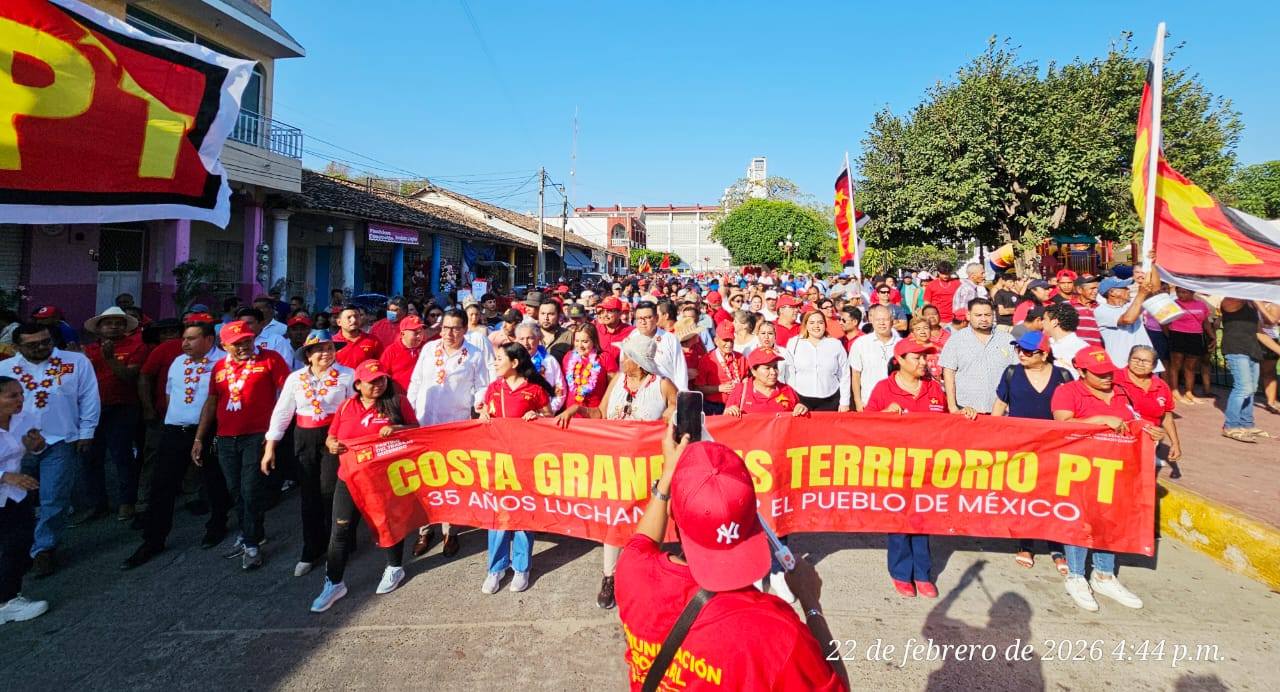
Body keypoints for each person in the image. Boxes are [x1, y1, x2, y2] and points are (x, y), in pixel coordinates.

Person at [614, 432, 846, 691]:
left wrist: (668, 475)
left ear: (671, 513)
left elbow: (643, 539)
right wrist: (812, 604)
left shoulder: (633, 571)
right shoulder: (778, 633)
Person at [1052, 347, 1163, 612]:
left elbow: (1133, 421)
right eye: (1099, 374)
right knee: (1080, 519)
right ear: (1081, 371)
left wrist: (1149, 430)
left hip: (1115, 468)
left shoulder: (1122, 392)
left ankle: (1104, 574)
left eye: (1109, 373)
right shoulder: (1067, 392)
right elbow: (1062, 425)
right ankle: (1076, 575)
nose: (1106, 378)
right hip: (1079, 467)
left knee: (1109, 519)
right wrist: (1100, 419)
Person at [120, 319, 233, 569]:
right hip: (174, 429)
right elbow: (171, 393)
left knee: (213, 479)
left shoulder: (223, 362)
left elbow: (215, 400)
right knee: (163, 483)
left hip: (209, 430)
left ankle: (216, 524)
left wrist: (200, 434)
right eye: (184, 338)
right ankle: (153, 538)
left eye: (191, 339)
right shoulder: (178, 362)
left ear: (209, 340)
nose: (185, 343)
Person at [309, 361, 418, 612]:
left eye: (382, 379)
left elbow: (417, 431)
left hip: (384, 478)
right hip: (350, 477)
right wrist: (332, 444)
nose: (379, 384)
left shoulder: (398, 403)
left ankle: (394, 567)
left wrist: (398, 429)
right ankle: (334, 583)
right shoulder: (347, 405)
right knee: (340, 530)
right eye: (372, 381)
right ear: (358, 385)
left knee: (387, 523)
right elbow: (331, 436)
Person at [585, 333, 676, 609]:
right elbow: (600, 413)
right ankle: (609, 577)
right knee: (615, 519)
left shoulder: (662, 385)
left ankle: (645, 577)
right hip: (616, 465)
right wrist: (577, 409)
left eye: (626, 356)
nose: (622, 360)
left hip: (648, 467)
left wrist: (670, 415)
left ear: (638, 362)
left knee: (648, 521)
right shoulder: (617, 381)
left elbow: (677, 408)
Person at [0, 323, 98, 578]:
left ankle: (44, 549)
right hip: (16, 446)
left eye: (46, 342)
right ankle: (17, 548)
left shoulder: (75, 361)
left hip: (60, 440)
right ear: (17, 347)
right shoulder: (5, 369)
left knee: (54, 496)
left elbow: (88, 397)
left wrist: (87, 431)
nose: (42, 348)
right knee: (14, 499)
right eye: (33, 345)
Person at [194, 320, 290, 571]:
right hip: (226, 437)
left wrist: (280, 431)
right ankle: (253, 532)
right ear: (224, 346)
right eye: (237, 343)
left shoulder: (270, 359)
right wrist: (199, 438)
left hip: (257, 436)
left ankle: (251, 544)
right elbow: (212, 403)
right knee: (235, 489)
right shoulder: (218, 368)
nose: (244, 346)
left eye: (247, 340)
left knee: (250, 489)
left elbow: (289, 391)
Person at [865, 340, 958, 598]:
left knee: (924, 518)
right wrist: (884, 413)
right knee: (899, 519)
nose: (923, 363)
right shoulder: (884, 388)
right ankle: (901, 573)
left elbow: (948, 426)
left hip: (927, 467)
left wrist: (965, 416)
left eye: (925, 358)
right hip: (895, 467)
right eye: (917, 358)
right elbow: (864, 425)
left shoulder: (933, 388)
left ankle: (922, 573)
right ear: (900, 360)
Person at [262, 331, 355, 577]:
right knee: (308, 494)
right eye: (319, 349)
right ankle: (311, 548)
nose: (326, 353)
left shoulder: (347, 375)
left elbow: (353, 410)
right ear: (308, 355)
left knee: (330, 491)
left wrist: (342, 437)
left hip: (334, 437)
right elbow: (283, 412)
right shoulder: (295, 379)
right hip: (304, 437)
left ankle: (339, 544)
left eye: (330, 348)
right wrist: (270, 446)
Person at [405, 309, 490, 557]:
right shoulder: (429, 350)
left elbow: (482, 385)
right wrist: (409, 414)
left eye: (455, 328)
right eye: (445, 328)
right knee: (426, 479)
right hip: (425, 423)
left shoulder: (474, 355)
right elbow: (416, 382)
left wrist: (480, 405)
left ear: (464, 329)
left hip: (455, 424)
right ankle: (425, 529)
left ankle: (450, 531)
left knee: (451, 480)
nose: (448, 334)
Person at [991, 331, 1073, 573]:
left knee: (1054, 496)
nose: (1021, 354)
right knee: (1026, 497)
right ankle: (1025, 543)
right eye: (1018, 349)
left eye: (1027, 351)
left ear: (1044, 354)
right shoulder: (1011, 373)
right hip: (1020, 447)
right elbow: (1000, 406)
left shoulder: (1064, 376)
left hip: (1054, 448)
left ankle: (1056, 544)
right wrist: (990, 437)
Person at [477, 343, 554, 594]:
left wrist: (537, 418)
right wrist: (483, 418)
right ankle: (496, 567)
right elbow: (483, 419)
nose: (495, 363)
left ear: (515, 363)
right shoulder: (493, 388)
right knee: (498, 514)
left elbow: (549, 419)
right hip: (498, 461)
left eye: (499, 358)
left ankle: (522, 566)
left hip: (525, 462)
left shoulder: (534, 391)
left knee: (522, 513)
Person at [79, 306, 146, 523]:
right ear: (99, 328)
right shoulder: (86, 350)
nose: (114, 327)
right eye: (109, 323)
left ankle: (127, 502)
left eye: (119, 323)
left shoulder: (137, 346)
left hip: (122, 407)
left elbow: (129, 377)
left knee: (122, 456)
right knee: (90, 458)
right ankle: (97, 503)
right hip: (91, 410)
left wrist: (110, 359)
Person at [0, 376, 50, 624]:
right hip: (7, 488)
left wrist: (38, 446)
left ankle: (9, 596)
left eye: (21, 394)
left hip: (14, 495)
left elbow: (34, 447)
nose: (20, 400)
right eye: (12, 396)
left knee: (20, 542)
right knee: (10, 545)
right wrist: (6, 476)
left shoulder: (24, 419)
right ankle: (7, 601)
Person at [938, 299, 1015, 415]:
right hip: (967, 411)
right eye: (978, 315)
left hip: (1001, 411)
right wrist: (953, 407)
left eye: (988, 315)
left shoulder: (1007, 339)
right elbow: (949, 374)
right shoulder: (956, 340)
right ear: (968, 315)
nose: (984, 319)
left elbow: (1016, 372)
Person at [1116, 344, 1183, 478]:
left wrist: (1175, 443)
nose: (1140, 364)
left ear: (1154, 365)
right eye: (1136, 359)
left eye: (1146, 361)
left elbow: (1167, 417)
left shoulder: (1161, 386)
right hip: (1119, 440)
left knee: (1141, 481)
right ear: (1128, 359)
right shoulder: (1115, 379)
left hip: (1148, 443)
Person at [1218, 299, 1279, 443]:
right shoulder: (1231, 300)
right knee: (1242, 387)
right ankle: (1230, 426)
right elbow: (1271, 319)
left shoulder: (1252, 305)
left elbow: (1260, 332)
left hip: (1252, 350)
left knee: (1251, 389)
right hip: (1236, 349)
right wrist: (1258, 301)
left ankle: (1247, 424)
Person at [1094, 273, 1161, 372]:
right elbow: (1128, 319)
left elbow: (1155, 289)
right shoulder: (1101, 310)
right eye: (1124, 287)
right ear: (1112, 292)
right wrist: (1141, 294)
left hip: (1146, 361)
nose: (1128, 290)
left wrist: (1152, 264)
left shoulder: (1132, 304)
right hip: (1121, 365)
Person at [785, 310, 850, 412]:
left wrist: (845, 402)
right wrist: (793, 399)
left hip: (830, 398)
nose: (816, 326)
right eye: (811, 323)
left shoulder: (835, 344)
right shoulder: (794, 343)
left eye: (820, 322)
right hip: (801, 399)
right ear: (805, 325)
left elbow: (844, 374)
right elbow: (789, 373)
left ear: (825, 324)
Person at [555, 323, 616, 426]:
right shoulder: (568, 357)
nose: (580, 346)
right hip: (570, 415)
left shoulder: (605, 358)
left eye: (585, 341)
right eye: (577, 341)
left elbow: (613, 388)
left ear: (594, 341)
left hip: (594, 415)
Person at [848, 304, 901, 410]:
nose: (881, 323)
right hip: (868, 400)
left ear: (892, 321)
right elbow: (855, 375)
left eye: (885, 319)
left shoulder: (900, 344)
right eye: (878, 319)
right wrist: (858, 401)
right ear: (871, 320)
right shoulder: (860, 343)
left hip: (897, 401)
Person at [1167, 287, 1214, 405]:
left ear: (1192, 292)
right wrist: (1169, 335)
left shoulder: (1201, 305)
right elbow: (1164, 322)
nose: (1180, 295)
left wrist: (1212, 336)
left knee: (1191, 366)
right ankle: (1175, 391)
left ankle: (1189, 392)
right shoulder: (1173, 304)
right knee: (1175, 365)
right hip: (1178, 335)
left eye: (1184, 292)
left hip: (1195, 336)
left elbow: (1206, 322)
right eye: (1178, 292)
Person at [631, 301, 688, 390]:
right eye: (639, 318)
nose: (643, 322)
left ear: (656, 318)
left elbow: (680, 370)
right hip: (639, 395)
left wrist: (681, 395)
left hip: (667, 394)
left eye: (647, 317)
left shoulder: (670, 339)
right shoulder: (631, 339)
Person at [695, 321, 747, 415]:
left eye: (731, 340)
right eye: (725, 340)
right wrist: (718, 388)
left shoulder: (741, 358)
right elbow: (698, 388)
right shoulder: (707, 360)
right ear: (716, 341)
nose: (729, 344)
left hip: (739, 406)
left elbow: (746, 379)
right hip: (715, 408)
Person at [378, 316, 426, 395]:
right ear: (403, 334)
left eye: (421, 331)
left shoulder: (426, 348)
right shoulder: (391, 351)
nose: (419, 336)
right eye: (416, 333)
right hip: (399, 397)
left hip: (421, 396)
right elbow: (382, 375)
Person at [1044, 303, 1088, 378]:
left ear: (1054, 322)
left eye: (1044, 319)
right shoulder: (1045, 343)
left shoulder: (1082, 348)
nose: (1042, 322)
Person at [1068, 274, 1103, 347]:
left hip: (1098, 353)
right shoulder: (1066, 306)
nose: (1096, 291)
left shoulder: (1101, 307)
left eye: (1097, 288)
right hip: (1075, 353)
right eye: (1092, 288)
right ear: (1079, 290)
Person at [906, 316, 943, 380]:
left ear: (930, 330)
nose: (923, 331)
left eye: (926, 328)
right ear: (912, 333)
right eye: (918, 329)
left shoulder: (940, 347)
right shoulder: (909, 350)